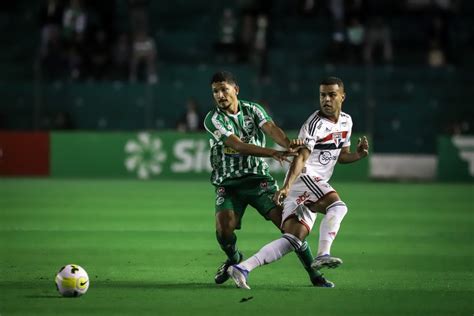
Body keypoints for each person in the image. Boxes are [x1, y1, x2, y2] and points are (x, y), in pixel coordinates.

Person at [227, 76, 369, 289]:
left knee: (293, 239)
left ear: (343, 96)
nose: (327, 100)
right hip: (304, 177)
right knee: (338, 207)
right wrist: (286, 187)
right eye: (323, 95)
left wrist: (357, 155)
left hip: (308, 184)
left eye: (331, 95)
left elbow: (342, 155)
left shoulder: (347, 121)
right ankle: (323, 254)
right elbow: (301, 158)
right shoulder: (314, 124)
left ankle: (242, 268)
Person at [204, 71, 331, 287]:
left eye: (224, 89)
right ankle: (234, 259)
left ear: (236, 89)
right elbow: (237, 145)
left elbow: (271, 128)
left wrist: (287, 144)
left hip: (258, 180)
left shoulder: (252, 109)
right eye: (215, 91)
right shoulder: (213, 119)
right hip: (228, 184)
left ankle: (315, 274)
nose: (220, 95)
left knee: (289, 227)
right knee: (223, 229)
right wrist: (272, 152)